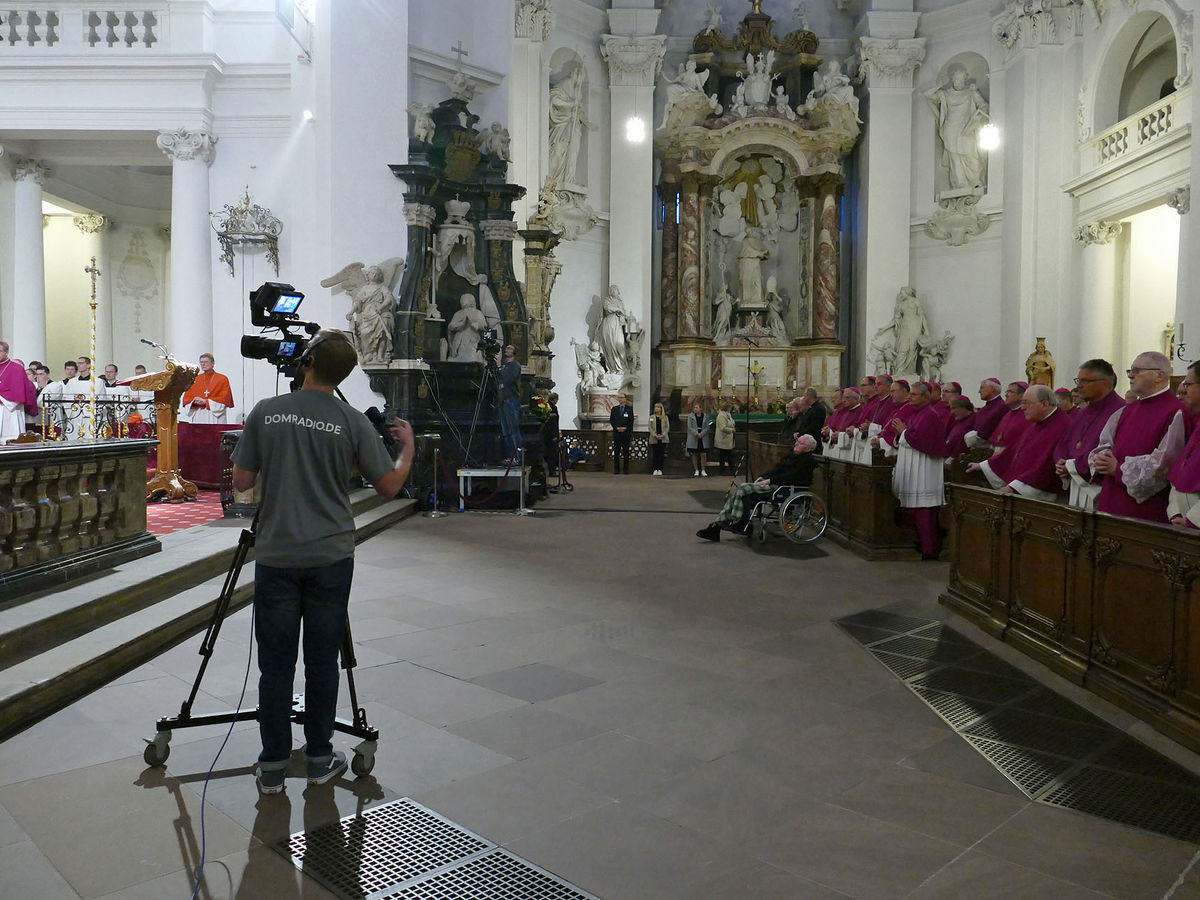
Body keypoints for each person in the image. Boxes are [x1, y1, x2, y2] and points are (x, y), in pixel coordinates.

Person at [230, 329, 414, 795]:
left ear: (306, 363)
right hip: (331, 554)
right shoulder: (352, 421)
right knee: (321, 662)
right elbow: (389, 487)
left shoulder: (266, 412)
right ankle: (317, 757)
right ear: (345, 374)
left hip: (276, 553)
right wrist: (408, 448)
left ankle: (272, 764)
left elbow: (240, 482)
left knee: (275, 665)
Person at [1090, 351, 1191, 522]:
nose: (1130, 375)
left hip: (1144, 511)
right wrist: (1101, 459)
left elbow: (1165, 463)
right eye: (1130, 370)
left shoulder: (1177, 412)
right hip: (1110, 500)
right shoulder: (1126, 410)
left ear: (1160, 375)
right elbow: (1104, 443)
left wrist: (1118, 469)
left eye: (1137, 370)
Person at [696, 433, 818, 541]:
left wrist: (769, 480)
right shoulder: (792, 455)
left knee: (743, 489)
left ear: (808, 448)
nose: (796, 444)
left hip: (783, 489)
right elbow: (776, 470)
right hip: (776, 484)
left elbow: (791, 476)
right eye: (797, 441)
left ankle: (736, 524)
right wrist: (763, 478)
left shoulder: (807, 461)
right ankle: (725, 526)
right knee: (743, 492)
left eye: (800, 443)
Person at [880, 382, 945, 559]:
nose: (910, 398)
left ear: (925, 396)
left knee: (925, 511)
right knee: (912, 509)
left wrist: (903, 431)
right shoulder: (917, 414)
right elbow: (905, 436)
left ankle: (929, 550)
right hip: (913, 466)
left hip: (924, 469)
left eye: (914, 395)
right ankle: (918, 543)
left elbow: (923, 441)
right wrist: (901, 432)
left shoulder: (930, 415)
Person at [972, 385, 1071, 500]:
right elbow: (1014, 450)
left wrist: (1014, 488)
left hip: (1043, 497)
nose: (1022, 408)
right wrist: (983, 465)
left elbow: (1044, 466)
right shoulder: (1037, 423)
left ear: (1044, 404)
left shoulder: (1060, 427)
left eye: (1026, 403)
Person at [1055, 358, 1126, 511]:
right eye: (1078, 380)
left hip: (1098, 489)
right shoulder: (1084, 411)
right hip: (1076, 482)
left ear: (1105, 383)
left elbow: (1110, 453)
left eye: (1085, 381)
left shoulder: (1121, 411)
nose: (1078, 386)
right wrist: (1061, 462)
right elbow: (1066, 441)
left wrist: (1071, 466)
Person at [1168, 361, 1200, 527]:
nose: (1184, 390)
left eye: (1188, 384)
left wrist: (1192, 521)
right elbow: (1180, 471)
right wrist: (1175, 512)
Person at [0, 341, 38, 442]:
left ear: (6, 352)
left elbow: (18, 392)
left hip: (9, 409)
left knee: (9, 438)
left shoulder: (16, 368)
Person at [181, 352, 233, 423]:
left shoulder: (222, 379)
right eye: (201, 362)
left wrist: (206, 402)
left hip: (215, 416)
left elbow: (224, 400)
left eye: (206, 362)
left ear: (213, 363)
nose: (203, 364)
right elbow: (187, 400)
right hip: (199, 415)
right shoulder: (195, 379)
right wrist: (194, 401)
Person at [497, 344, 522, 459]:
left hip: (511, 399)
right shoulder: (503, 366)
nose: (507, 349)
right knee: (505, 430)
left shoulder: (515, 366)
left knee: (513, 429)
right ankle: (509, 456)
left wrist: (499, 370)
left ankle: (517, 456)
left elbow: (509, 379)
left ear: (514, 352)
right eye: (506, 348)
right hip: (502, 399)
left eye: (510, 348)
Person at [609, 392, 634, 474]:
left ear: (625, 399)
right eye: (619, 398)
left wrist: (625, 428)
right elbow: (612, 420)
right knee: (616, 452)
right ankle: (616, 469)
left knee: (626, 452)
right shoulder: (614, 409)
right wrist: (616, 427)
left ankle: (626, 469)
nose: (620, 399)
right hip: (617, 433)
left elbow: (631, 421)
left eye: (622, 397)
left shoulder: (629, 409)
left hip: (626, 434)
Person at [796, 386, 827, 452]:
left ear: (808, 396)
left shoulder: (819, 408)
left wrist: (800, 434)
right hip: (807, 441)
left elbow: (814, 427)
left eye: (804, 396)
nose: (804, 398)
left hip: (813, 442)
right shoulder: (811, 408)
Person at [686, 401, 710, 476]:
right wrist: (696, 433)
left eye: (697, 407)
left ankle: (703, 469)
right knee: (694, 454)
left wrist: (701, 433)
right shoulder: (691, 416)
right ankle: (696, 470)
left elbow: (707, 427)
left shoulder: (705, 417)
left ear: (700, 408)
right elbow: (690, 427)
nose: (695, 409)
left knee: (703, 454)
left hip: (703, 437)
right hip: (694, 436)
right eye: (694, 408)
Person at [714, 401, 736, 473]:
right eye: (730, 407)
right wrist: (731, 430)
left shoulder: (728, 414)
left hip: (728, 439)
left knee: (728, 455)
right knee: (723, 456)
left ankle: (731, 470)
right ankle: (723, 470)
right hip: (723, 439)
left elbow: (732, 423)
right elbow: (722, 427)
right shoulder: (721, 415)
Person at [648, 401, 669, 475]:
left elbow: (667, 427)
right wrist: (655, 435)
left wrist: (662, 435)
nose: (656, 409)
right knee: (655, 454)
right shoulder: (651, 417)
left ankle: (660, 469)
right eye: (655, 407)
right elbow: (650, 427)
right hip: (654, 438)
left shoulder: (665, 417)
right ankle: (655, 469)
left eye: (658, 407)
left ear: (661, 408)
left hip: (663, 439)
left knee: (661, 454)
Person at [543, 391, 560, 476]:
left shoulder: (546, 406)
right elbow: (552, 423)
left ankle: (550, 470)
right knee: (552, 454)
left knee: (549, 453)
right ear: (555, 399)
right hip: (551, 435)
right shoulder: (552, 407)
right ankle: (552, 471)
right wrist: (554, 435)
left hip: (546, 434)